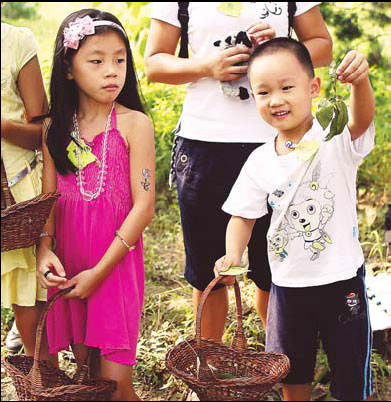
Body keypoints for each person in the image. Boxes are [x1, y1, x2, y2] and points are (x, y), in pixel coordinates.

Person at [144, 2, 332, 341]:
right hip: (206, 147)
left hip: (281, 144)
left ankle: (282, 365)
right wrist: (208, 66)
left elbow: (322, 45)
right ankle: (208, 371)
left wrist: (279, 52)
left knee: (276, 271)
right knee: (210, 273)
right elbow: (154, 64)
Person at [215, 37, 375, 401]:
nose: (276, 99)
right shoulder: (260, 161)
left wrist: (360, 82)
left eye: (287, 87)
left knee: (351, 374)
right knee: (291, 369)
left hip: (341, 280)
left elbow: (362, 119)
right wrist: (233, 254)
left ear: (313, 87)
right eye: (264, 92)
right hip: (287, 287)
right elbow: (242, 215)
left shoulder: (333, 137)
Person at [36, 9, 155, 401]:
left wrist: (100, 273)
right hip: (70, 263)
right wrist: (44, 250)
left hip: (113, 265)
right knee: (88, 376)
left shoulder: (134, 123)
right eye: (97, 60)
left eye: (120, 59)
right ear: (69, 69)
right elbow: (49, 199)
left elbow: (145, 205)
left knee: (117, 385)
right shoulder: (56, 128)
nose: (112, 71)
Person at [1, 17, 52, 360]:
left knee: (27, 287)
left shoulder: (16, 41)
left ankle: (43, 376)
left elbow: (41, 130)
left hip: (16, 191)